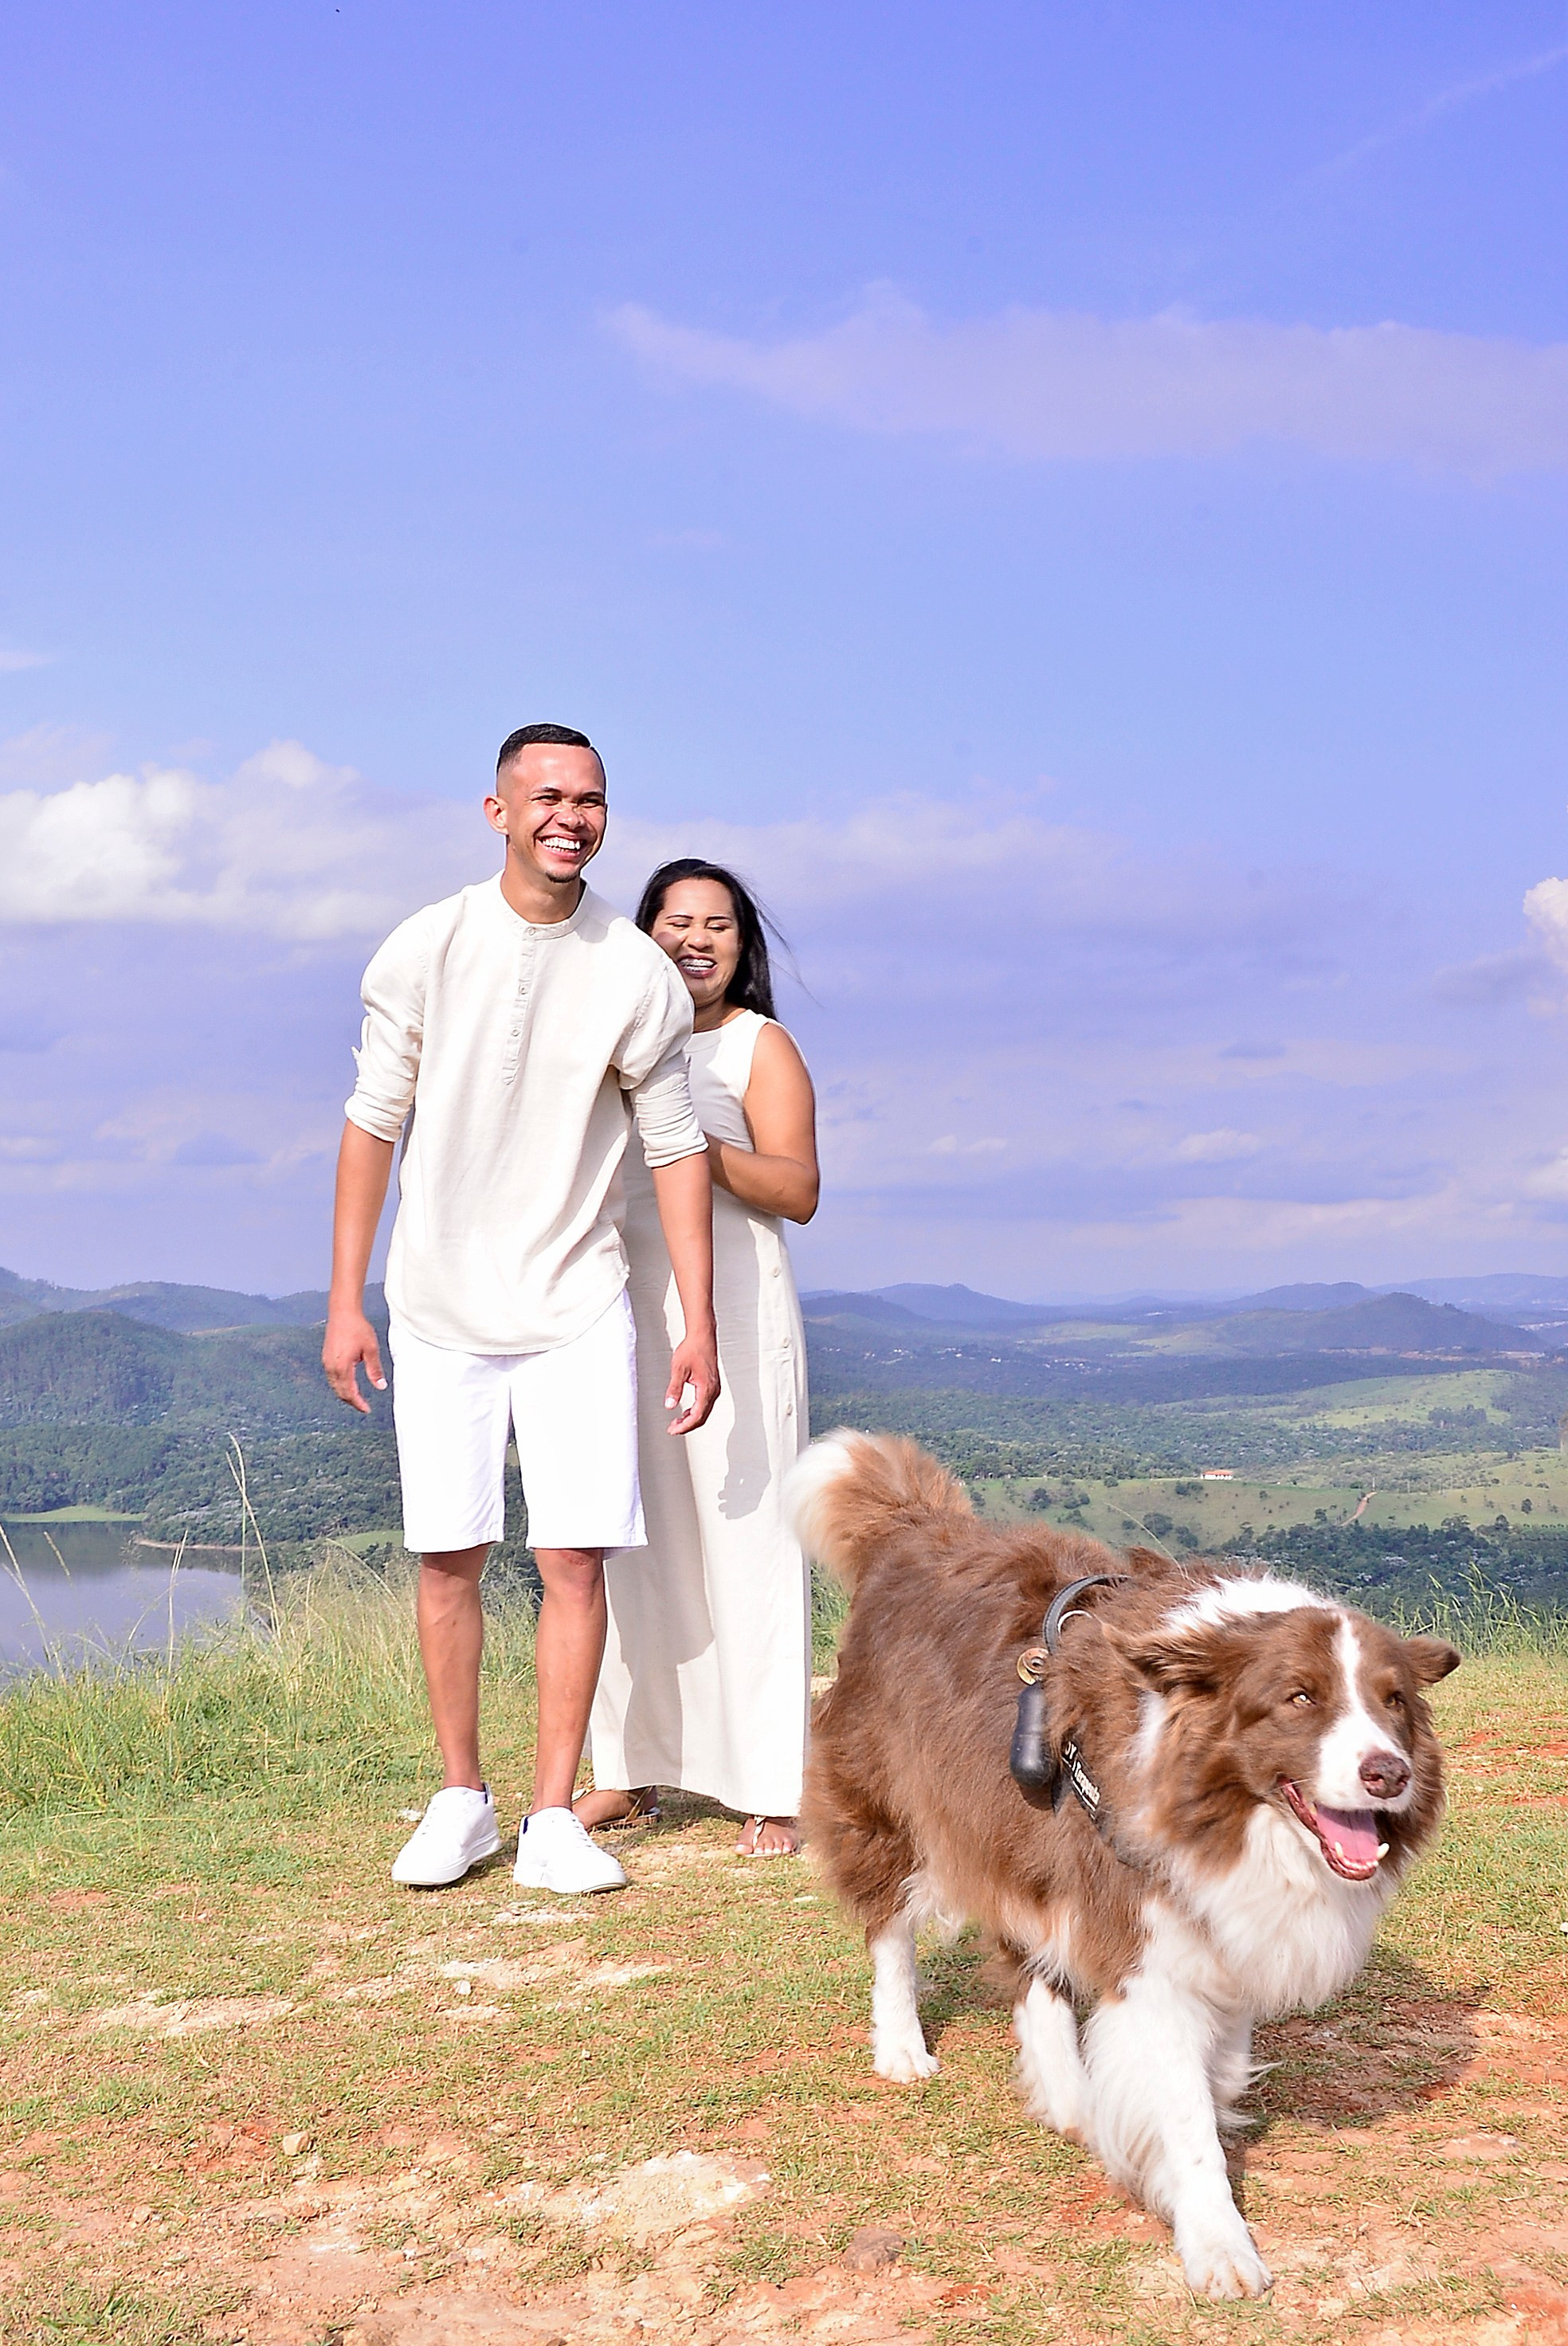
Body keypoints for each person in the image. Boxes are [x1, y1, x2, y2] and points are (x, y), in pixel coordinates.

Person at [321, 726, 720, 1897]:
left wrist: (695, 1322)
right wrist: (345, 1300)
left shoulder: (635, 970)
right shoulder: (426, 946)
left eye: (591, 799)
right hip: (438, 1301)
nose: (572, 816)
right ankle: (462, 1801)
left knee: (574, 1560)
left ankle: (552, 1815)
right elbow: (370, 1124)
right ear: (496, 810)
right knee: (446, 1555)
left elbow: (677, 1148)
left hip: (579, 1299)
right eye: (548, 795)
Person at [578, 858, 818, 1857]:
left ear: (742, 945)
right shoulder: (611, 1041)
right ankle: (629, 1774)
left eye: (718, 924)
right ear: (643, 933)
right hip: (615, 1310)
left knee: (750, 1540)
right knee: (626, 1539)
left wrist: (692, 1144)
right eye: (676, 921)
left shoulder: (760, 1045)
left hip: (736, 1316)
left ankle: (772, 1782)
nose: (697, 940)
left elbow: (799, 1187)